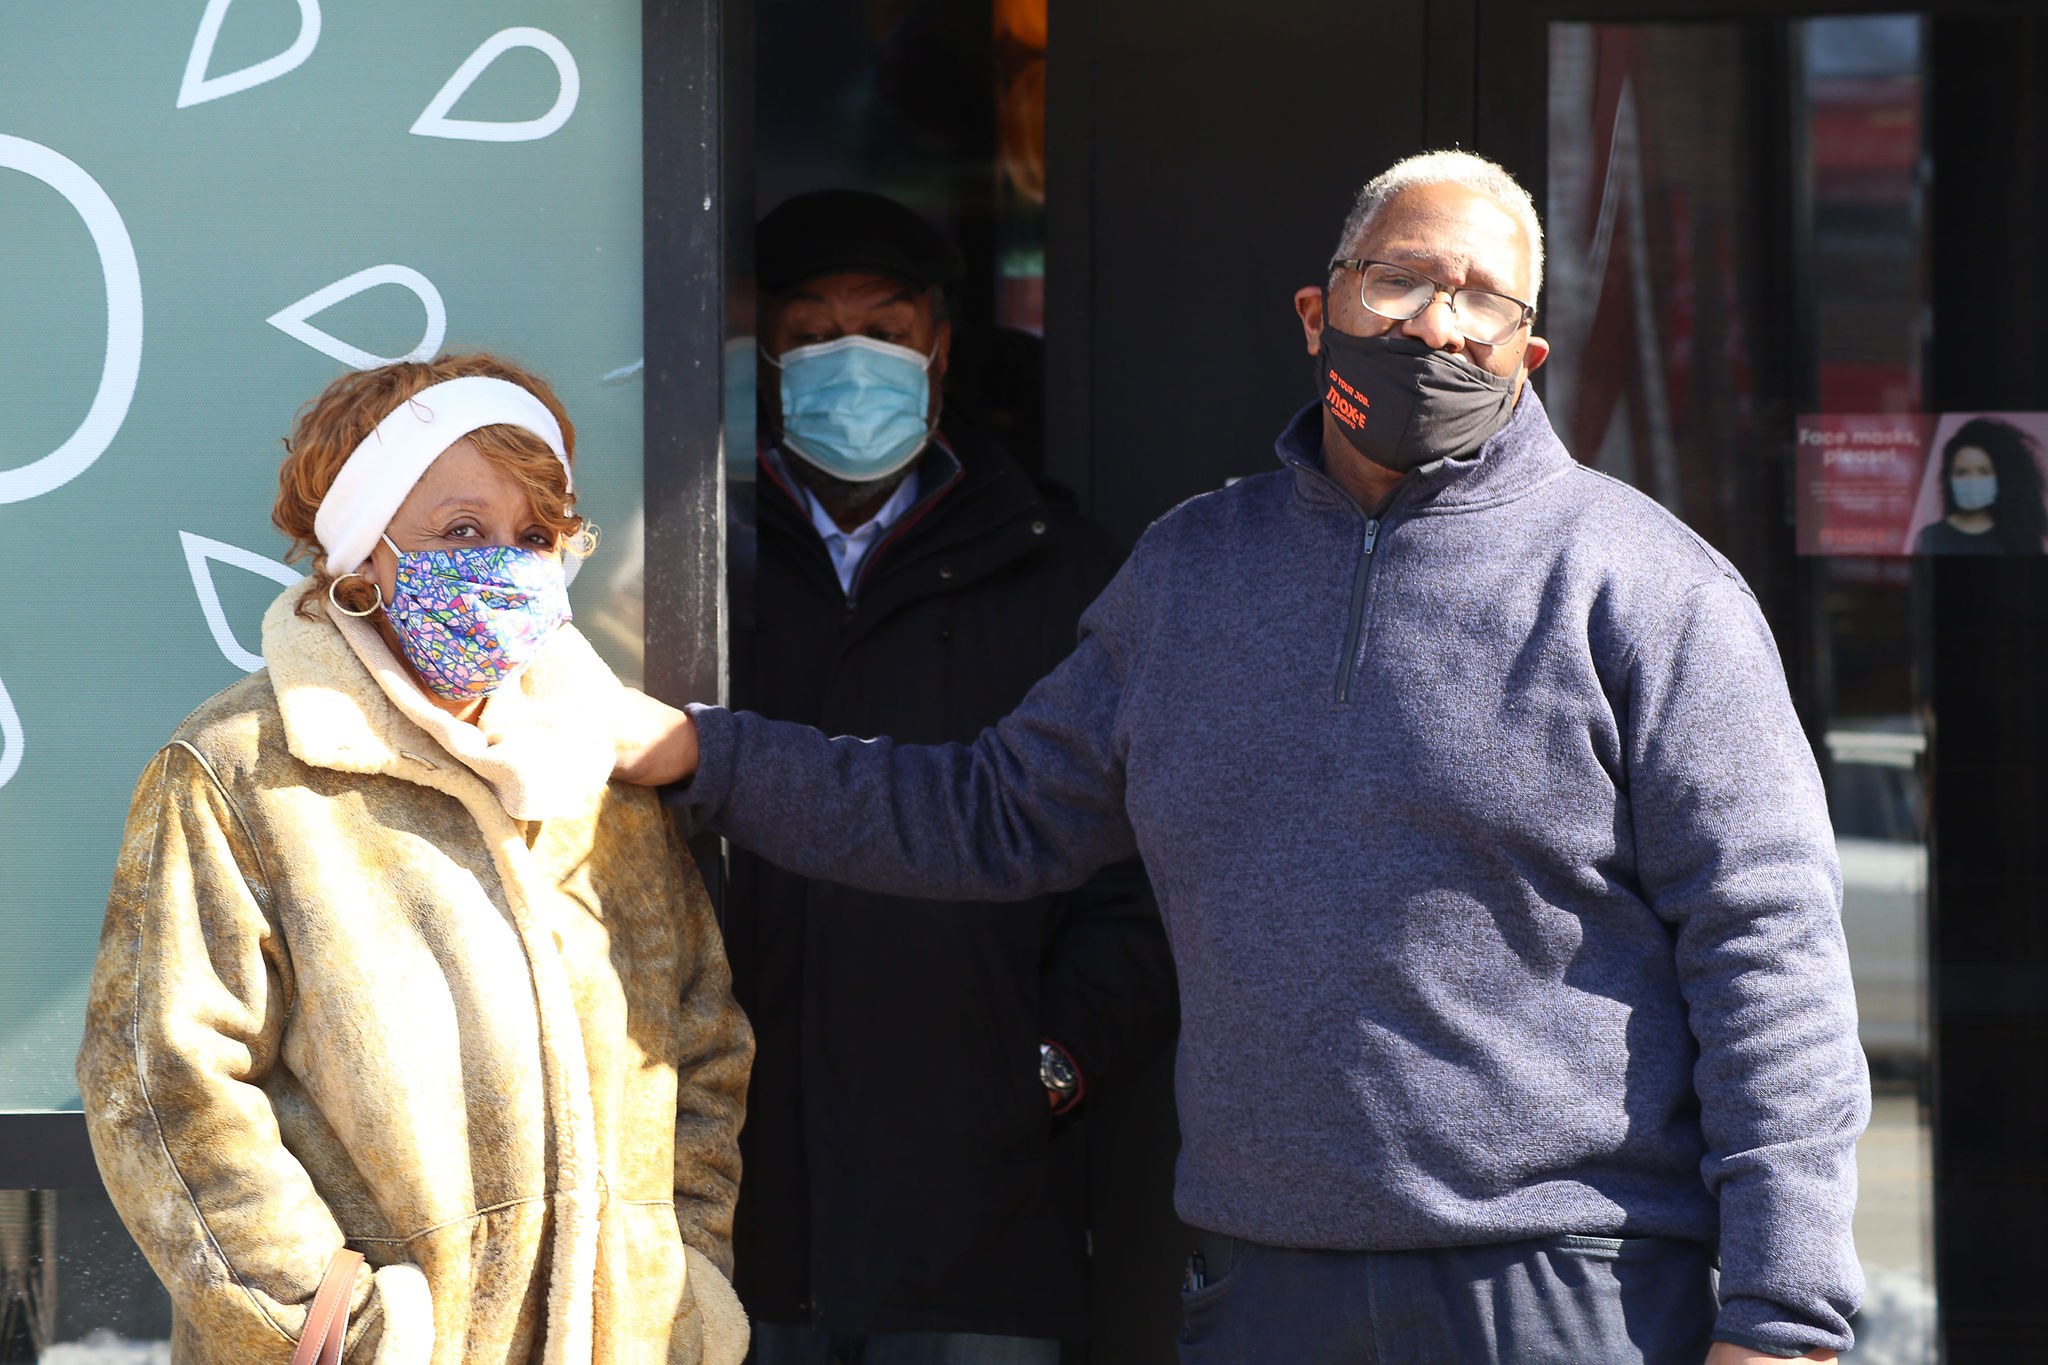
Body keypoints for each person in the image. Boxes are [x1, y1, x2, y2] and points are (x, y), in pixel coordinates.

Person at [623, 152, 1871, 1364]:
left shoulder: (1644, 588)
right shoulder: (1192, 571)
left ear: (1524, 353)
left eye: (1480, 297)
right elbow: (988, 813)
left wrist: (1782, 1315)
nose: (1436, 324)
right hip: (1262, 1285)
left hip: (1568, 1287)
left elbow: (1765, 951)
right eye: (1399, 280)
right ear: (1315, 311)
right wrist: (701, 754)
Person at [78, 355, 755, 1365]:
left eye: (536, 535)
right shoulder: (243, 771)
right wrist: (330, 1332)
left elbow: (698, 1045)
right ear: (361, 556)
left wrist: (683, 1285)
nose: (508, 564)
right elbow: (165, 1086)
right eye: (461, 532)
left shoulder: (594, 766)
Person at [730, 188, 1180, 1365]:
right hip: (724, 1207)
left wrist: (1046, 1068)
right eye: (815, 333)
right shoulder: (686, 563)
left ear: (937, 341)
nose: (849, 361)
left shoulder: (1060, 574)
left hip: (978, 1225)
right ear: (763, 350)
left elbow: (1150, 870)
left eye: (879, 329)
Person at [1913, 415, 2048, 554]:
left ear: (2001, 477)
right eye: (1962, 472)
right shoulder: (1931, 538)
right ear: (1949, 478)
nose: (1972, 480)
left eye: (1983, 472)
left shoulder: (2022, 537)